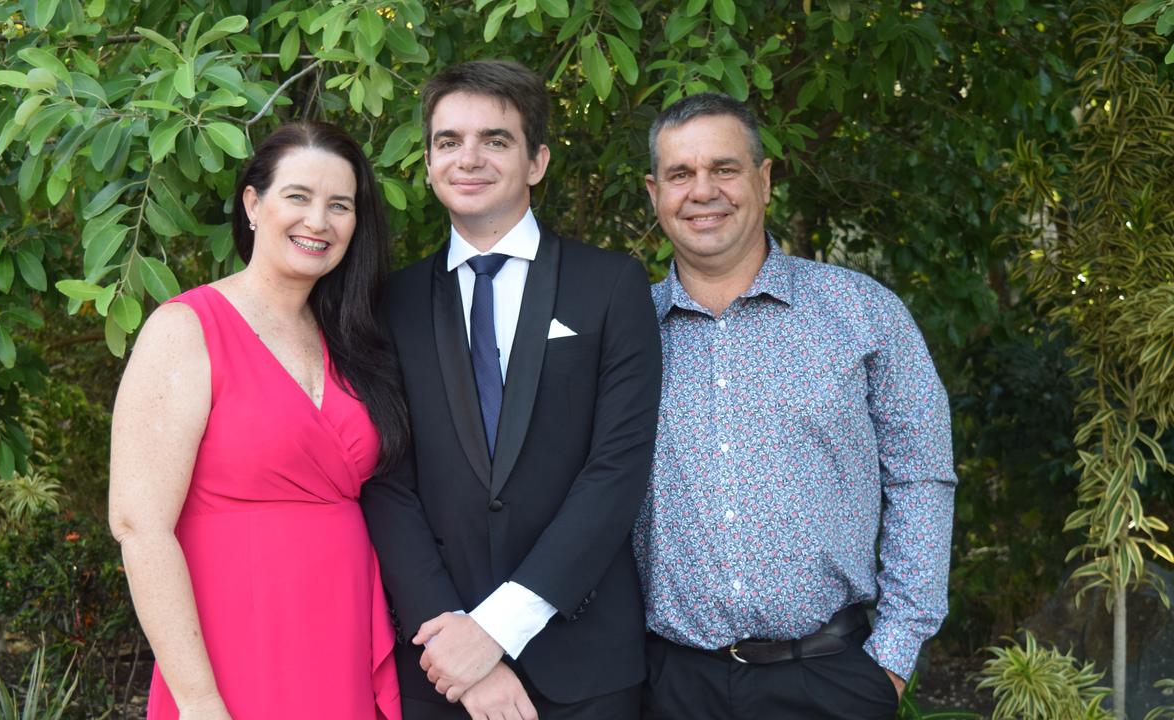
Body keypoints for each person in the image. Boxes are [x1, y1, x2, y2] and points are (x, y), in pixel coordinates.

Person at [633, 92, 957, 720]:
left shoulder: (861, 312)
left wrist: (892, 657)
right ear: (655, 193)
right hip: (670, 685)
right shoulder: (627, 332)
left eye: (724, 169)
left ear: (764, 178)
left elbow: (922, 477)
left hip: (830, 678)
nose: (704, 191)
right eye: (681, 174)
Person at [361, 60, 662, 720]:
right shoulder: (393, 303)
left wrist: (496, 629)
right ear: (430, 159)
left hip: (585, 664)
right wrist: (453, 636)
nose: (468, 158)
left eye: (495, 139)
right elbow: (387, 479)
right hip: (439, 668)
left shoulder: (611, 286)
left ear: (536, 161)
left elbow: (616, 471)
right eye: (448, 141)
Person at [109, 121, 408, 719]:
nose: (318, 222)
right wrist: (197, 699)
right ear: (252, 203)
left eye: (339, 205)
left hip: (339, 630)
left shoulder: (353, 339)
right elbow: (139, 526)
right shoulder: (186, 328)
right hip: (233, 640)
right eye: (297, 197)